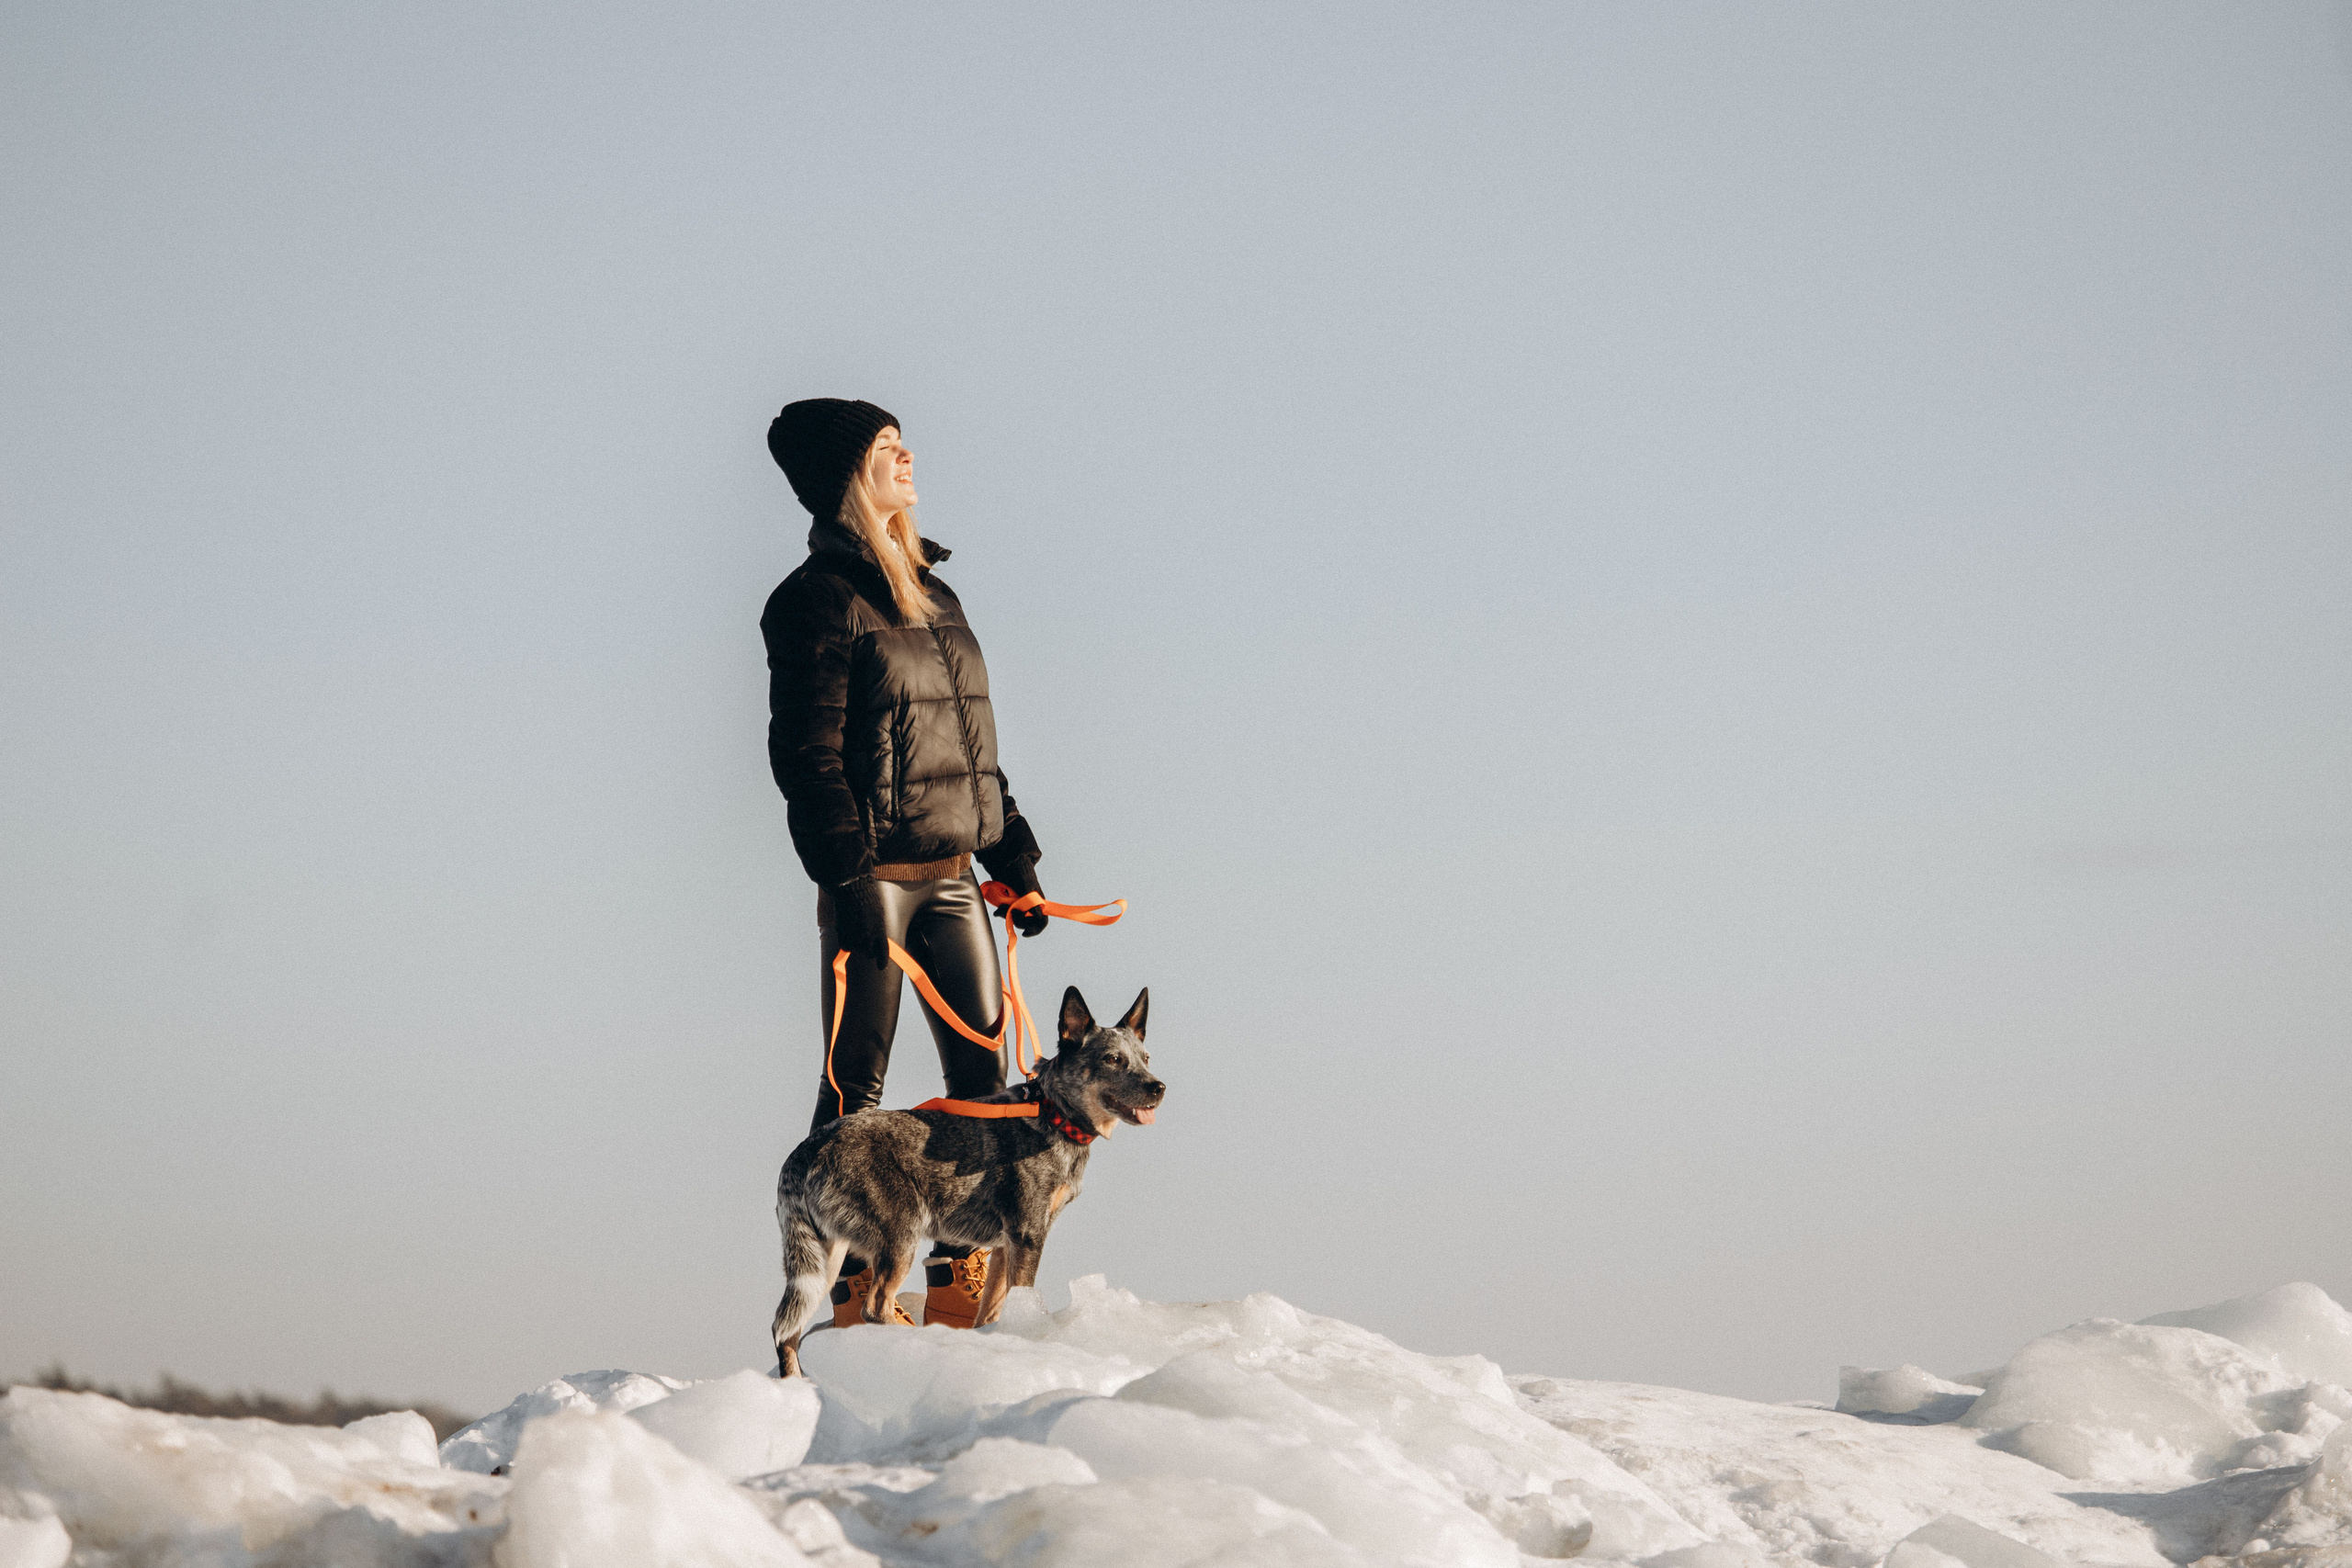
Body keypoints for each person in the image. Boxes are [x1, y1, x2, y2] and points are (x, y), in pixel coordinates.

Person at [759, 398, 1050, 1331]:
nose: (910, 456)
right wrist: (845, 879)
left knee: (988, 1099)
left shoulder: (935, 594)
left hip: (956, 877)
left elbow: (969, 750)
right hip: (872, 882)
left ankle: (959, 1293)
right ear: (848, 474)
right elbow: (805, 757)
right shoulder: (812, 601)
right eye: (889, 448)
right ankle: (846, 1298)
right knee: (858, 1094)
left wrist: (1014, 852)